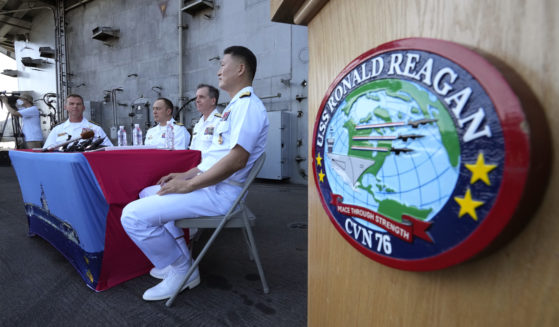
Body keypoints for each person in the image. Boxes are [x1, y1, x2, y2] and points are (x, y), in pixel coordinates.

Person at [121, 46, 269, 301]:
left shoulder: (248, 107)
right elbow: (213, 159)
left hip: (223, 193)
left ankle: (182, 269)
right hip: (212, 186)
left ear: (241, 69)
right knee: (148, 192)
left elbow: (236, 161)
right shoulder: (234, 108)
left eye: (223, 65)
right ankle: (180, 258)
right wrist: (183, 176)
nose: (219, 70)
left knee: (132, 216)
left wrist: (189, 186)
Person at [43, 94, 113, 149]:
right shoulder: (57, 130)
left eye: (78, 104)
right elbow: (47, 150)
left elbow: (109, 149)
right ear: (65, 107)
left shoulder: (96, 129)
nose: (75, 106)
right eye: (71, 104)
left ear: (83, 108)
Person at [189, 84, 221, 151]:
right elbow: (192, 149)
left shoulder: (220, 122)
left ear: (213, 101)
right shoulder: (198, 124)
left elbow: (220, 152)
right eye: (196, 97)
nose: (197, 100)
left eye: (201, 97)